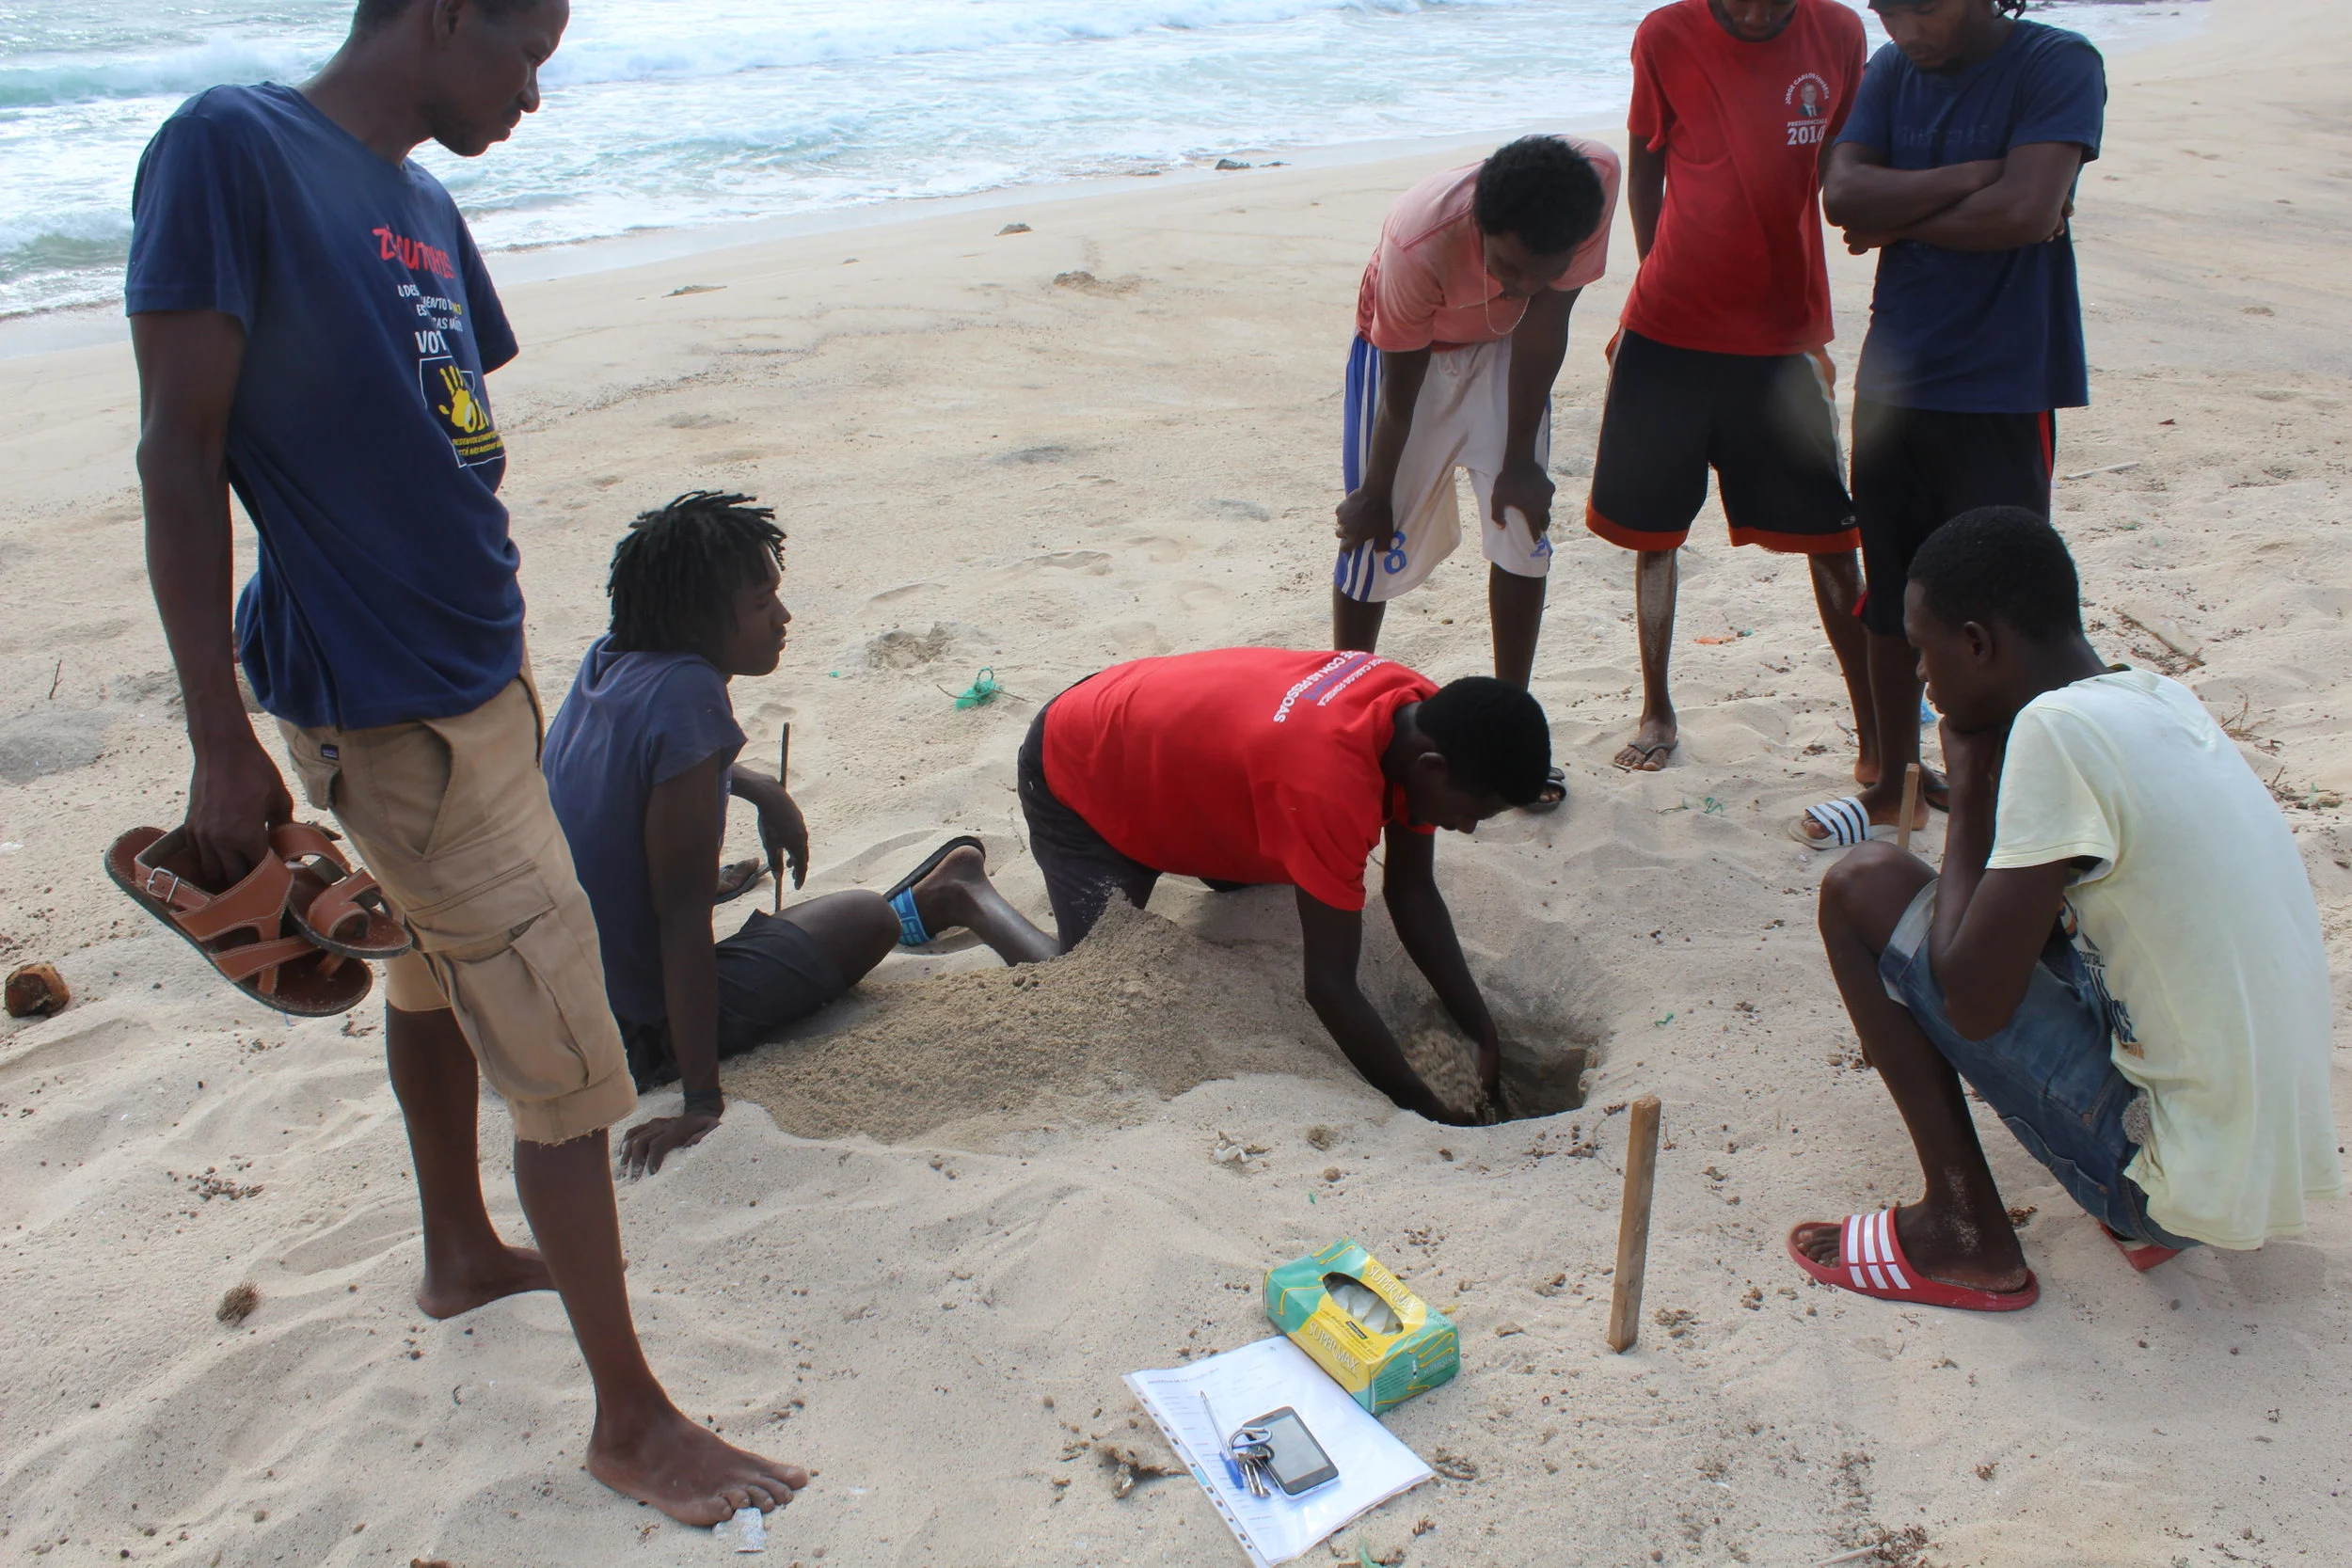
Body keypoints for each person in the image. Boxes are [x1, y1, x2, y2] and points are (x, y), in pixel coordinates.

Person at [126, 0, 803, 1526]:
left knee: (434, 971)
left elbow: (450, 457)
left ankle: (454, 1245)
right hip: (385, 707)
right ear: (438, 14)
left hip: (472, 674)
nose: (535, 95)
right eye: (526, 53)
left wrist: (507, 661)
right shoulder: (236, 152)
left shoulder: (424, 208)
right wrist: (216, 736)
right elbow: (181, 453)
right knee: (573, 1064)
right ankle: (632, 1422)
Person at [1796, 509, 2342, 1310]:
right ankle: (2122, 1200)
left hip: (2166, 1184)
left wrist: (1974, 785)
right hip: (2255, 1161)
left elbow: (1974, 1003)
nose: (1918, 674)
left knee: (1863, 885)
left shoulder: (2055, 732)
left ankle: (1962, 1227)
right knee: (2039, 910)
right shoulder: (2157, 696)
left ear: (1978, 644)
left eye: (1922, 649)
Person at [541, 493, 1057, 1177]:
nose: (783, 618)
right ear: (696, 618)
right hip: (641, 1030)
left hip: (566, 1001)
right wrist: (700, 1100)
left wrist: (758, 785)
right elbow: (682, 921)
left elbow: (643, 764)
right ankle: (945, 895)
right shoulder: (689, 694)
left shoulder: (610, 659)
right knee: (864, 916)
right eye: (762, 604)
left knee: (834, 919)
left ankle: (931, 895)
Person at [1798, 0, 2105, 846]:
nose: (1905, 28)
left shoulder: (2057, 63)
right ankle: (1897, 779)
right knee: (1892, 591)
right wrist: (1979, 174)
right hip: (1896, 377)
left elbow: (2027, 213)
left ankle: (2018, 791)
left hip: (2003, 381)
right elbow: (1843, 193)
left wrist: (1898, 218)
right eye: (1888, 8)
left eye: (1924, 7)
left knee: (2007, 601)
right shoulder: (1893, 70)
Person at [1017, 647, 1551, 1124]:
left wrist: (1483, 1034)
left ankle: (1187, 849)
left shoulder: (1425, 712)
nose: (1467, 827)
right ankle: (964, 892)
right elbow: (1328, 988)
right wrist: (1427, 1107)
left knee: (1285, 853)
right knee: (1092, 974)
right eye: (1471, 812)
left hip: (1168, 753)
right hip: (1079, 767)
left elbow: (1411, 889)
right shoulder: (1327, 785)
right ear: (1433, 768)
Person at [1584, 0, 1873, 776]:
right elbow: (1646, 163)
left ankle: (1875, 736)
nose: (1753, 12)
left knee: (1835, 540)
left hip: (1782, 333)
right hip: (1668, 330)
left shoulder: (1840, 32)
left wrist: (1812, 330)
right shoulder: (1665, 34)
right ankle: (1658, 707)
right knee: (1652, 537)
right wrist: (1658, 280)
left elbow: (1844, 167)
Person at [1335, 135, 1618, 793]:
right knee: (1372, 540)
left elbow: (1546, 318)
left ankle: (1508, 739)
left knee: (1523, 524)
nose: (1522, 284)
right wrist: (1377, 489)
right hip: (1410, 360)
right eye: (1508, 267)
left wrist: (1521, 459)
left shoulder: (1590, 187)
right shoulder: (1420, 237)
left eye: (1539, 270)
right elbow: (1400, 388)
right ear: (1480, 228)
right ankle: (1340, 723)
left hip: (1508, 350)